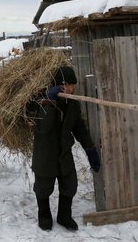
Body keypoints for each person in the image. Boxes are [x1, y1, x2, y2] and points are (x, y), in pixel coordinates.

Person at [31, 66, 101, 231]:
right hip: (45, 154)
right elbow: (44, 128)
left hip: (64, 152)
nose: (72, 88)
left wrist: (89, 149)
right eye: (68, 85)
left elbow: (78, 127)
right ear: (59, 85)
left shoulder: (72, 102)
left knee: (70, 184)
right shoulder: (40, 101)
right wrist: (50, 102)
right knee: (43, 187)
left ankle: (64, 215)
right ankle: (44, 214)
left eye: (72, 85)